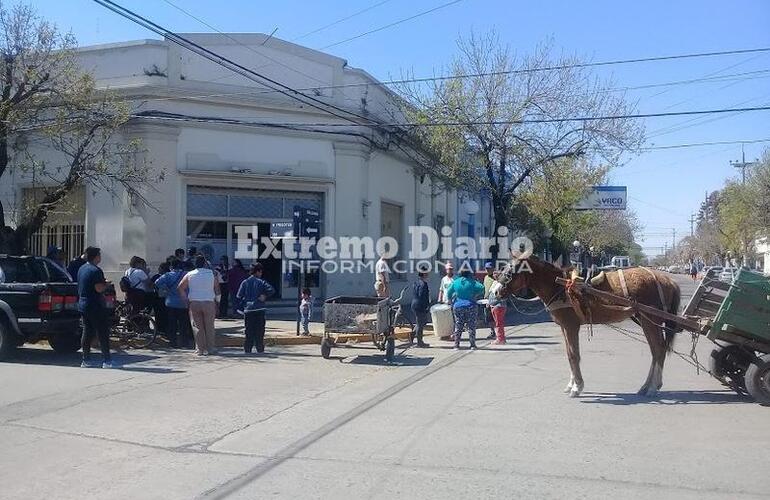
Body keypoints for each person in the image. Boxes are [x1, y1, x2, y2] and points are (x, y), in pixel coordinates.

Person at [77, 247, 114, 368]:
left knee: (87, 331)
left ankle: (86, 359)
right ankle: (107, 361)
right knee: (102, 332)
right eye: (99, 255)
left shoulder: (82, 269)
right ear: (96, 257)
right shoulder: (96, 270)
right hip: (95, 305)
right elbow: (98, 288)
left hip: (83, 304)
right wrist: (106, 285)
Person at [178, 255, 220, 356]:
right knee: (209, 326)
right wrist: (218, 302)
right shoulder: (211, 274)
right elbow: (217, 290)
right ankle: (210, 348)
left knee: (197, 327)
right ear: (205, 263)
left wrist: (186, 300)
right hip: (209, 302)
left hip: (194, 302)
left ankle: (200, 349)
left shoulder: (190, 274)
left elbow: (180, 287)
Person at [237, 263, 276, 354]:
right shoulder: (261, 282)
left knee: (249, 331)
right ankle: (260, 349)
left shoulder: (245, 282)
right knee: (259, 331)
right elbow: (272, 290)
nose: (261, 273)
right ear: (258, 271)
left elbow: (239, 296)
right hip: (259, 309)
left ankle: (248, 349)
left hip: (248, 310)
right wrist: (265, 295)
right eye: (260, 271)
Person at [155, 258, 191, 348]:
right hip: (183, 303)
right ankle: (184, 343)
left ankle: (173, 343)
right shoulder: (186, 274)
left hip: (170, 303)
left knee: (172, 324)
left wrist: (166, 288)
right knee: (184, 324)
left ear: (171, 266)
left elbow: (157, 282)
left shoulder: (168, 275)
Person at [446, 267, 485, 350]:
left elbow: (449, 292)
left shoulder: (456, 282)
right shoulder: (472, 282)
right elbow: (482, 288)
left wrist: (450, 300)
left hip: (458, 306)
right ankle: (472, 345)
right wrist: (475, 294)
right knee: (471, 326)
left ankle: (456, 345)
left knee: (458, 325)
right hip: (470, 305)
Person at [410, 270, 431, 348]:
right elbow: (422, 296)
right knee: (420, 324)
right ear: (424, 274)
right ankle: (419, 342)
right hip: (420, 305)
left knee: (421, 322)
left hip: (414, 304)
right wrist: (426, 306)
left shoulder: (416, 283)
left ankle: (412, 334)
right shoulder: (423, 284)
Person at [482, 262, 497, 339]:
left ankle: (498, 333)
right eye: (486, 269)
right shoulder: (485, 277)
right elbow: (484, 288)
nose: (488, 270)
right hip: (486, 300)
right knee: (488, 318)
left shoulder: (496, 278)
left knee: (495, 317)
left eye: (489, 269)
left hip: (495, 300)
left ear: (493, 269)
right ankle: (492, 332)